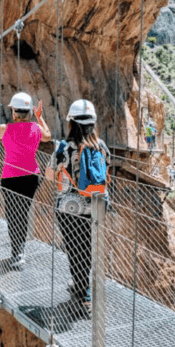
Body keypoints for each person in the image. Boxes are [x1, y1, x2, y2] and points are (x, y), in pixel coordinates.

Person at [47, 99, 110, 310]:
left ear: (71, 123)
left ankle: (83, 291)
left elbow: (49, 175)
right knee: (87, 248)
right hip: (94, 206)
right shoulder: (101, 146)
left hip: (68, 207)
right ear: (93, 123)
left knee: (74, 248)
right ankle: (84, 288)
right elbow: (106, 170)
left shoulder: (64, 148)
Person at [0, 91, 51, 268]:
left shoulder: (6, 129)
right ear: (29, 112)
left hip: (11, 176)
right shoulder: (36, 128)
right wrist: (40, 118)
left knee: (13, 214)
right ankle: (20, 250)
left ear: (14, 113)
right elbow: (48, 135)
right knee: (23, 212)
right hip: (32, 176)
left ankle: (17, 252)